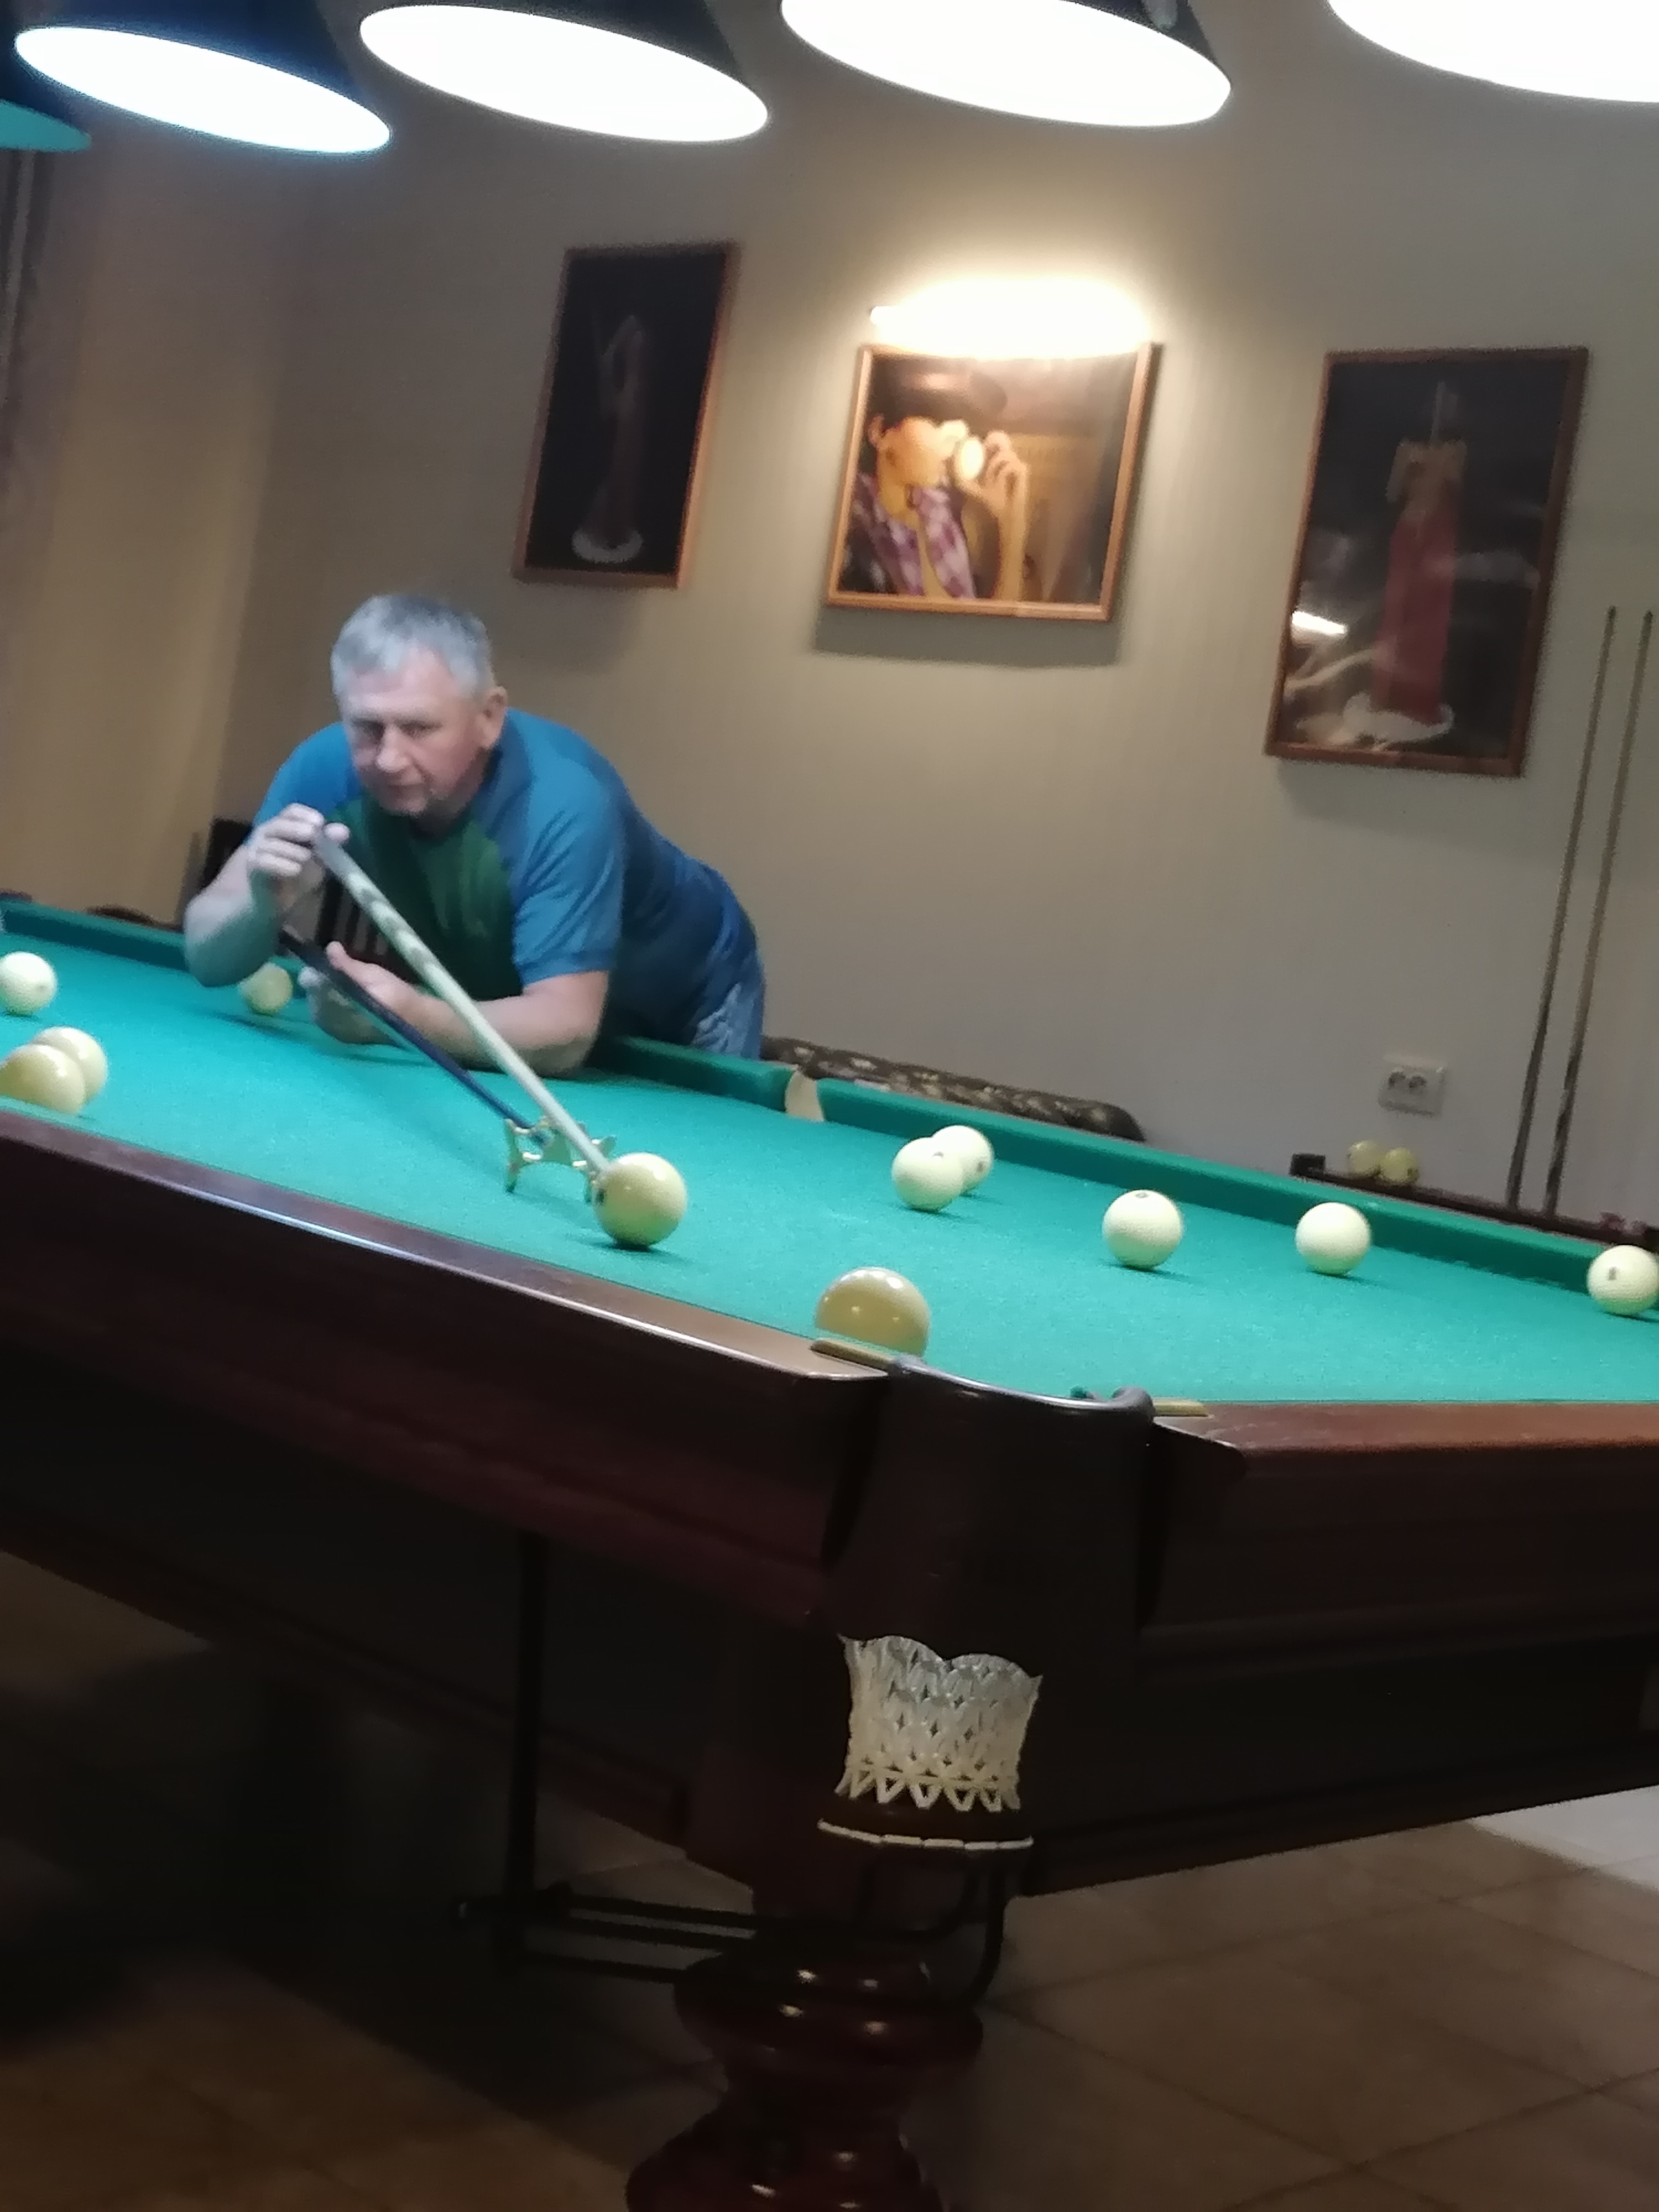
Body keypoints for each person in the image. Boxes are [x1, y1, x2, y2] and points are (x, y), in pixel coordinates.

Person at [184, 595, 763, 1072]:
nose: (388, 758)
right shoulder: (325, 768)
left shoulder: (563, 802)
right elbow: (207, 957)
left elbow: (565, 1029)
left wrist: (406, 1016)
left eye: (419, 728)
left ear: (488, 718)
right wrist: (262, 905)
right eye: (367, 726)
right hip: (530, 1006)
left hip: (687, 998)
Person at [839, 358, 1031, 604]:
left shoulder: (939, 512)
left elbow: (978, 628)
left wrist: (1011, 527)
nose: (950, 446)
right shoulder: (851, 516)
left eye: (961, 429)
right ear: (880, 432)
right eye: (935, 423)